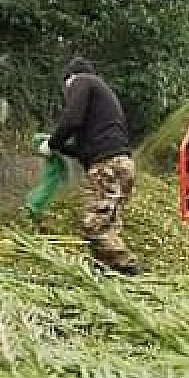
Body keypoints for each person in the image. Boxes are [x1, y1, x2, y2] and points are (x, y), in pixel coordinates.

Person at [39, 56, 140, 274]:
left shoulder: (82, 80)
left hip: (108, 167)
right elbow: (84, 150)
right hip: (122, 165)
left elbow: (71, 118)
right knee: (108, 227)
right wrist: (57, 146)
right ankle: (106, 276)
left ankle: (130, 272)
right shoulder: (102, 105)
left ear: (69, 78)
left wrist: (52, 142)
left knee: (94, 226)